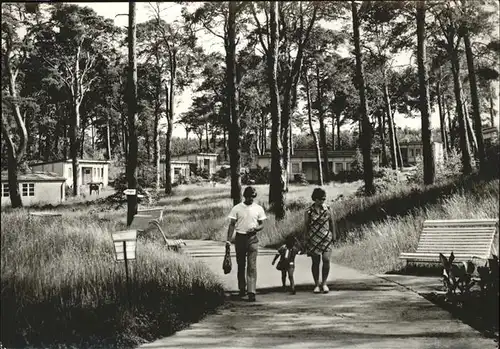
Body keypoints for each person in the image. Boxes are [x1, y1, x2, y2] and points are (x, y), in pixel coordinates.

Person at [226, 186, 267, 302]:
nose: (250, 199)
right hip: (240, 238)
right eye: (249, 197)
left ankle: (251, 291)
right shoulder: (237, 208)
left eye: (253, 197)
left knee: (252, 266)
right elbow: (232, 224)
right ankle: (242, 288)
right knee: (241, 265)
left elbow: (262, 224)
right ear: (244, 196)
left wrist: (256, 229)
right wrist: (228, 240)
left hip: (253, 239)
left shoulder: (258, 208)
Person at [303, 187, 336, 294]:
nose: (322, 201)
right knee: (315, 261)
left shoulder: (328, 208)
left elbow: (332, 222)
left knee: (326, 259)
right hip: (314, 238)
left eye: (324, 199)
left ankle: (324, 283)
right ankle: (316, 284)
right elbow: (306, 225)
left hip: (326, 237)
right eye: (321, 199)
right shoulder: (308, 211)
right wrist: (306, 238)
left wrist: (334, 235)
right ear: (315, 199)